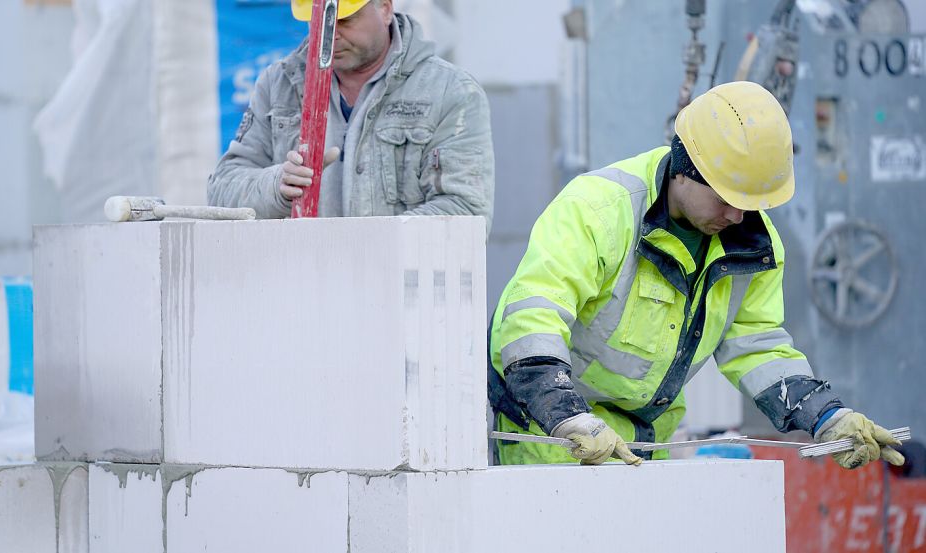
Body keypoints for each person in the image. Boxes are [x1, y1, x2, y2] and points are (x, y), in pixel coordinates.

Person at [488, 81, 904, 470]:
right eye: (726, 198)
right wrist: (568, 418)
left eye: (750, 204)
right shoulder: (597, 210)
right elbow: (533, 319)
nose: (737, 216)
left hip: (641, 447)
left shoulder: (753, 246)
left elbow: (757, 346)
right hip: (548, 434)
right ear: (684, 169)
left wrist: (827, 417)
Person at [208, 0, 494, 232]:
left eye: (344, 19)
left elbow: (465, 213)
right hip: (299, 290)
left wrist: (358, 254)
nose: (329, 33)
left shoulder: (449, 91)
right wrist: (277, 185)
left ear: (384, 8)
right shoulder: (279, 84)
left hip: (400, 296)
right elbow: (222, 191)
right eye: (318, 19)